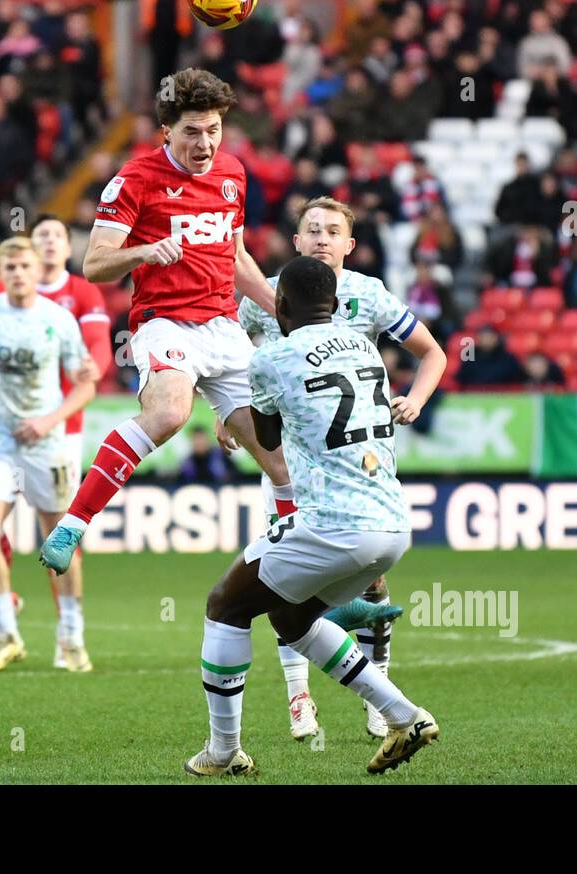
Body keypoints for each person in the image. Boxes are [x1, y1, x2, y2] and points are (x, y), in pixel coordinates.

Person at [182, 256, 440, 777]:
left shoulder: (272, 359)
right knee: (290, 616)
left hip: (331, 522)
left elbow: (269, 440)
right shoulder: (366, 346)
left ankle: (224, 750)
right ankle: (402, 715)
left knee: (225, 604)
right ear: (335, 304)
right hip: (391, 525)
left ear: (279, 305)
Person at [39, 68, 292, 573]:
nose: (205, 143)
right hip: (164, 322)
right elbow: (94, 264)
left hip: (224, 329)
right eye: (192, 132)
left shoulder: (233, 175)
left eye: (214, 130)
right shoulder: (135, 180)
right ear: (167, 132)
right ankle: (73, 525)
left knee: (282, 461)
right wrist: (147, 250)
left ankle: (318, 585)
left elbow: (237, 258)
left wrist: (289, 316)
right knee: (171, 413)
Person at [236, 196, 447, 741]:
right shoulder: (269, 295)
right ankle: (298, 697)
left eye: (334, 230)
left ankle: (379, 692)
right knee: (286, 578)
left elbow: (433, 353)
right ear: (297, 241)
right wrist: (227, 410)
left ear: (350, 245)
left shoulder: (368, 294)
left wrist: (416, 400)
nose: (323, 237)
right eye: (313, 229)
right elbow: (233, 358)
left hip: (357, 464)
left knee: (368, 580)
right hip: (290, 463)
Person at [0, 237, 99, 672]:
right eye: (9, 268)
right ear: (0, 272)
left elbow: (86, 383)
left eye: (24, 266)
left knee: (59, 545)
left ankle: (70, 636)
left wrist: (51, 420)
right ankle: (5, 631)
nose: (18, 274)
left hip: (46, 444)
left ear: (36, 270)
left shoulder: (59, 319)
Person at [0, 215, 114, 670]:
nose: (50, 243)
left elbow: (96, 355)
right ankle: (2, 615)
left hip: (59, 432)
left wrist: (88, 373)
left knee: (56, 535)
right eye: (41, 237)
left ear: (66, 249)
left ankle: (67, 634)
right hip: (3, 433)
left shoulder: (80, 293)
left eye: (57, 236)